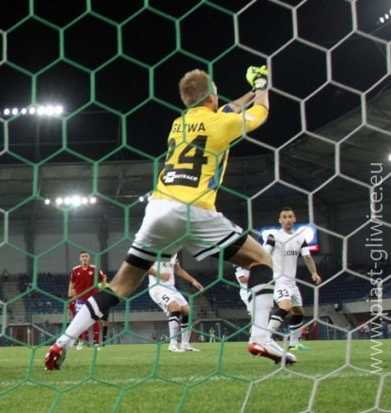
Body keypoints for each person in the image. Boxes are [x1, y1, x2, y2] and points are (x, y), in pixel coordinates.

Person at [45, 66, 294, 370]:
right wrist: (262, 86)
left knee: (119, 286)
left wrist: (249, 93)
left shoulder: (179, 124)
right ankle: (261, 337)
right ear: (212, 96)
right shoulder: (221, 123)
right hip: (195, 210)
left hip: (158, 208)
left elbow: (227, 109)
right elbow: (261, 113)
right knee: (261, 261)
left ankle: (62, 342)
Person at [262, 207, 322, 351]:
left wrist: (314, 273)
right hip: (278, 280)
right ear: (280, 220)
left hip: (291, 282)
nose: (288, 219)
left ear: (294, 219)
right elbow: (263, 254)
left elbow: (307, 257)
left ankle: (294, 344)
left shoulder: (300, 238)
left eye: (290, 217)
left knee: (298, 311)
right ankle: (264, 339)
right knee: (286, 307)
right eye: (284, 217)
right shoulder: (274, 236)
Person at [148, 254, 203, 353]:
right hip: (157, 287)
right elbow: (143, 267)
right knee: (175, 308)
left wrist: (193, 281)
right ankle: (172, 345)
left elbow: (178, 270)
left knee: (187, 311)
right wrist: (159, 275)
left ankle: (185, 344)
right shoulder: (154, 250)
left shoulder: (174, 253)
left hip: (171, 288)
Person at [67, 251, 107, 349]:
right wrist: (70, 291)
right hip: (80, 299)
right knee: (80, 321)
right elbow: (71, 281)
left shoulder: (95, 268)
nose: (84, 258)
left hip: (93, 298)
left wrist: (103, 290)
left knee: (95, 320)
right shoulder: (75, 270)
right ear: (80, 258)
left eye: (86, 256)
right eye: (82, 256)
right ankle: (81, 341)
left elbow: (103, 278)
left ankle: (96, 343)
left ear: (89, 258)